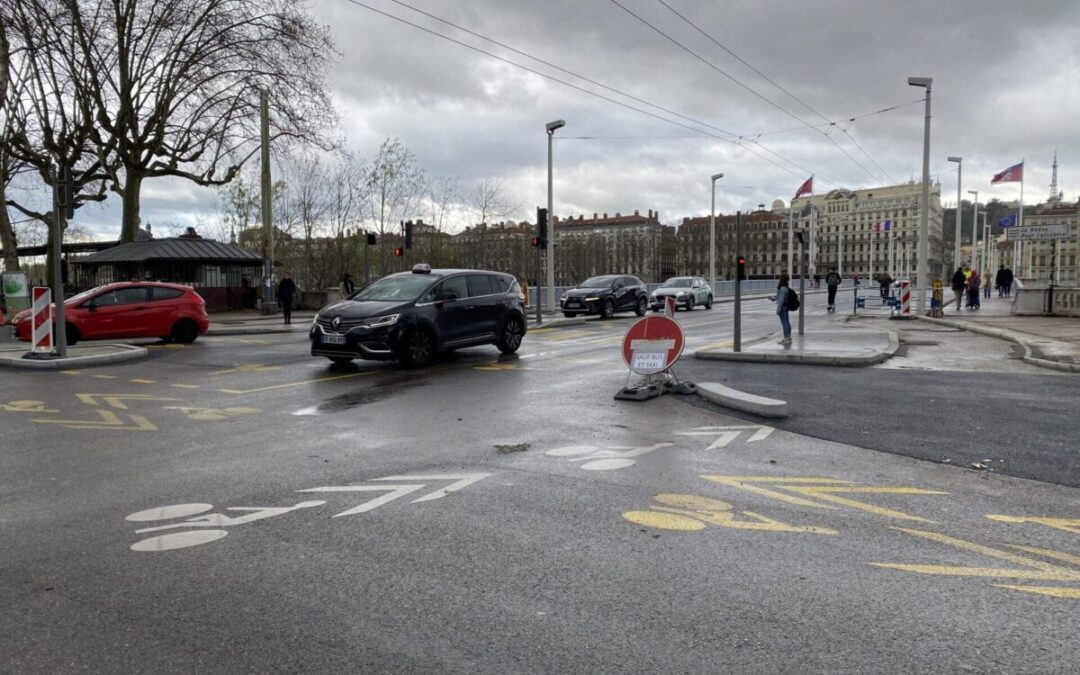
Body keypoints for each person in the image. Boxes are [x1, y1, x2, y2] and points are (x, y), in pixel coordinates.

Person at [769, 274, 793, 345]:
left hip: (782, 307)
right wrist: (772, 298)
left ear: (781, 279)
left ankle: (786, 338)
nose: (778, 279)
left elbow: (781, 300)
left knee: (784, 323)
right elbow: (778, 297)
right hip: (786, 307)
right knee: (787, 322)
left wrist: (778, 310)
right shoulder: (786, 287)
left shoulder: (782, 288)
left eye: (779, 278)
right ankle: (789, 338)